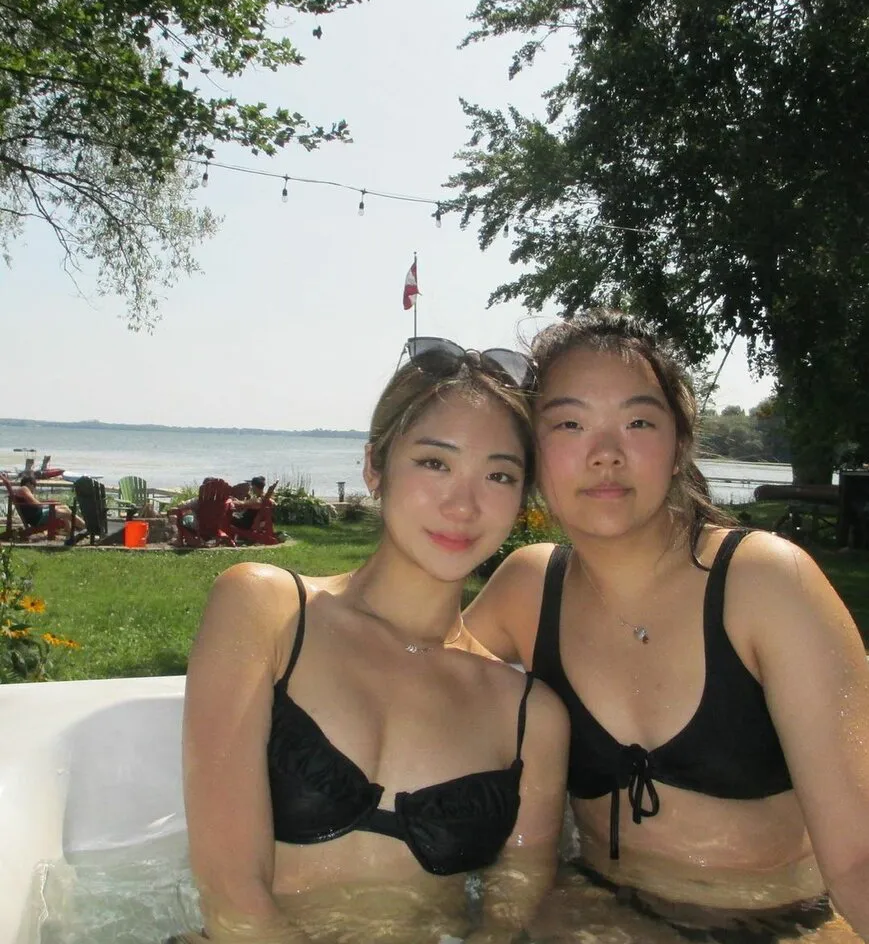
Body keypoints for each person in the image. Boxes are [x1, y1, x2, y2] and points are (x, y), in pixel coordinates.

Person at [464, 309, 869, 942]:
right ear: (533, 452)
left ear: (679, 446)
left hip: (781, 924)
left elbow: (858, 860)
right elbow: (408, 672)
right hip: (597, 918)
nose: (605, 454)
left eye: (638, 422)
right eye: (569, 424)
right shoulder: (528, 588)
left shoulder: (763, 583)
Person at [180, 338, 570, 944]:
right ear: (374, 467)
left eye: (499, 475)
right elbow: (232, 897)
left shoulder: (530, 717)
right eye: (435, 463)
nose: (462, 505)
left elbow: (509, 916)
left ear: (521, 501)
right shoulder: (264, 612)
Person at [9, 473, 84, 534]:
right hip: (38, 518)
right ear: (29, 483)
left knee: (64, 507)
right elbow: (36, 504)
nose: (33, 489)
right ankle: (85, 527)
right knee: (66, 513)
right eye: (34, 486)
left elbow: (36, 504)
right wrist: (49, 505)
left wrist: (49, 504)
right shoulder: (24, 489)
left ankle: (70, 531)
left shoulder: (22, 490)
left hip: (38, 515)